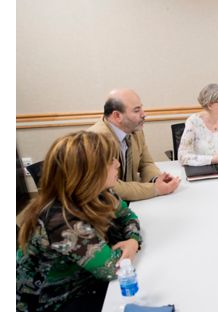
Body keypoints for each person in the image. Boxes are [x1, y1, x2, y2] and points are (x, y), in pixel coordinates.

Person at [16, 131, 142, 311]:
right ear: (90, 172)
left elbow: (128, 216)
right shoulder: (61, 220)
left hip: (82, 281)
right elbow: (111, 269)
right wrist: (131, 246)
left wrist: (132, 241)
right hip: (53, 300)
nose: (117, 163)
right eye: (110, 160)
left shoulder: (101, 193)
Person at [88, 89, 180, 201]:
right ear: (117, 116)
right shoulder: (95, 140)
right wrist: (155, 189)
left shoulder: (136, 130)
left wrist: (156, 179)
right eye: (137, 111)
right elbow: (110, 186)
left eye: (141, 108)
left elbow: (146, 163)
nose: (143, 114)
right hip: (106, 208)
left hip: (131, 204)